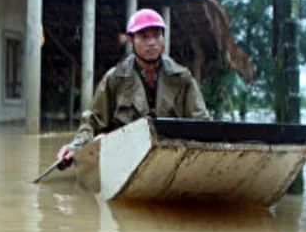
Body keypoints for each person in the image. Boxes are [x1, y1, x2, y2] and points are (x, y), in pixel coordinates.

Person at [56, 9, 209, 163]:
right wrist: (76, 146)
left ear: (163, 38)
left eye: (156, 35)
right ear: (131, 40)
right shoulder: (115, 78)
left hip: (171, 153)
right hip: (126, 153)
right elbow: (93, 121)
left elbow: (201, 123)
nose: (151, 43)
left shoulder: (182, 78)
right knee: (100, 139)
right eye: (143, 37)